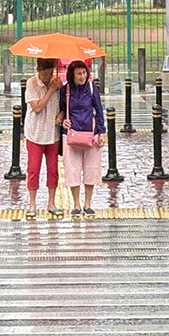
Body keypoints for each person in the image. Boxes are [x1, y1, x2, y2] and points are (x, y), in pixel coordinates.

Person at [59, 59, 105, 217]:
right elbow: (61, 110)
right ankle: (76, 203)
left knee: (91, 169)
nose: (82, 76)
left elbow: (99, 110)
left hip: (90, 133)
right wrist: (63, 121)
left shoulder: (92, 88)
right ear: (72, 75)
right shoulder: (65, 90)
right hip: (71, 134)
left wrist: (102, 132)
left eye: (84, 72)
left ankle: (88, 203)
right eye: (78, 73)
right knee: (72, 169)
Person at [24, 58, 63, 218]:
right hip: (35, 133)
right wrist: (50, 90)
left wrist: (60, 116)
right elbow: (38, 107)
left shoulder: (57, 83)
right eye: (45, 73)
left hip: (52, 134)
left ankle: (51, 202)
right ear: (39, 70)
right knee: (33, 170)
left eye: (51, 72)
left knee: (53, 169)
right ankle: (32, 204)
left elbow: (63, 105)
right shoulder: (32, 83)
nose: (48, 77)